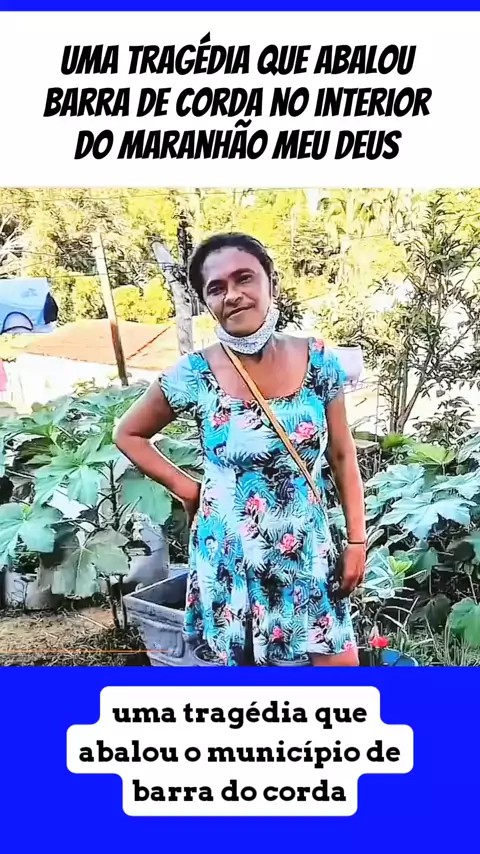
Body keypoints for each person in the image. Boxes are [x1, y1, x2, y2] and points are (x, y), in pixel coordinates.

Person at [114, 233, 366, 667]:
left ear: (271, 282)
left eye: (244, 278)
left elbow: (342, 454)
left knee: (338, 674)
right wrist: (188, 489)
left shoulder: (318, 360)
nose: (232, 294)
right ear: (206, 302)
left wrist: (357, 541)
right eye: (216, 288)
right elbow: (129, 433)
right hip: (231, 553)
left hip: (306, 548)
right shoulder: (195, 373)